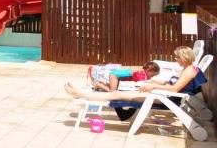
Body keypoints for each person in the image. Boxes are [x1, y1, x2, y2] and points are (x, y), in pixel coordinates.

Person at [65, 47, 204, 121]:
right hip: (163, 95)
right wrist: (158, 82)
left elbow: (175, 88)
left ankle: (80, 94)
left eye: (177, 57)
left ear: (184, 58)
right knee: (117, 94)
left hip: (166, 98)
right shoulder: (188, 69)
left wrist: (153, 86)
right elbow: (174, 84)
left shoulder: (189, 71)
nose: (176, 59)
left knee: (116, 94)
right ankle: (81, 93)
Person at [88, 61, 161, 92]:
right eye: (152, 75)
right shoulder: (141, 74)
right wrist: (157, 84)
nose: (152, 77)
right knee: (113, 92)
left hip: (116, 76)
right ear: (148, 70)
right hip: (114, 76)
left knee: (111, 88)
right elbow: (147, 81)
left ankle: (101, 83)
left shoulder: (141, 72)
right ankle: (99, 85)